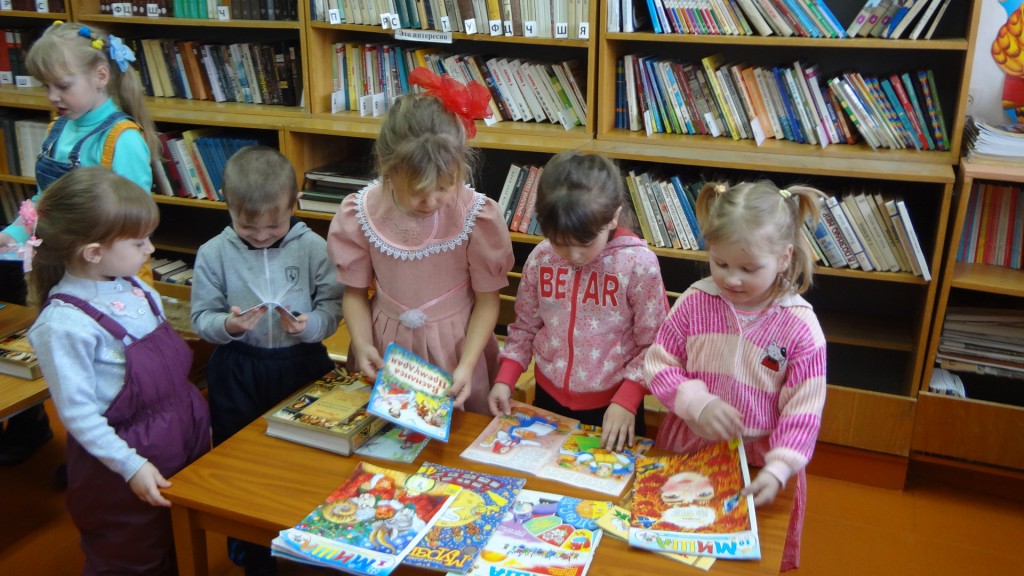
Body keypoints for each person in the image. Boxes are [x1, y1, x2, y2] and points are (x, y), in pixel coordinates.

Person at [26, 166, 210, 575]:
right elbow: (79, 416)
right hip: (124, 462)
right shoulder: (64, 325)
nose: (150, 249)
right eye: (139, 241)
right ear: (93, 252)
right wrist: (131, 465)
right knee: (133, 555)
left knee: (179, 537)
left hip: (180, 436)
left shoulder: (136, 287)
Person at [643, 180, 828, 572]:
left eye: (748, 268)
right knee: (675, 551)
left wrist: (779, 469)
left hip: (759, 463)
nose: (731, 279)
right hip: (688, 448)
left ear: (784, 257)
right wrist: (696, 401)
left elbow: (803, 413)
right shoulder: (695, 301)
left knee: (744, 561)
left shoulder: (800, 328)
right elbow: (658, 364)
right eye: (720, 263)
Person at [0, 21, 159, 466]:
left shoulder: (121, 140)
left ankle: (122, 455)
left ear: (101, 76)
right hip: (62, 264)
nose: (53, 96)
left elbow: (132, 222)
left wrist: (100, 268)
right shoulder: (61, 125)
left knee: (109, 371)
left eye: (63, 85)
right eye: (46, 86)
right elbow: (44, 198)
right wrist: (14, 232)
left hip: (107, 276)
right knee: (69, 364)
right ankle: (51, 434)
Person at [191, 146, 343, 576]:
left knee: (308, 456)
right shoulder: (213, 253)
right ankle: (251, 554)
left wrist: (310, 327)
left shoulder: (313, 247)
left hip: (303, 365)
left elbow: (332, 308)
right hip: (237, 368)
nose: (261, 236)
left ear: (295, 204)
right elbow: (201, 319)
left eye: (274, 225)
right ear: (228, 207)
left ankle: (311, 539)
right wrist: (229, 326)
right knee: (240, 462)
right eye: (247, 226)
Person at [327, 67, 514, 415]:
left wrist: (467, 365)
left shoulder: (477, 216)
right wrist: (363, 344)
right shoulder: (361, 212)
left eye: (443, 187)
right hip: (385, 348)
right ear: (387, 168)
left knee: (460, 433)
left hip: (457, 350)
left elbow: (488, 302)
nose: (430, 201)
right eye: (415, 190)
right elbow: (354, 293)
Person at [487, 152, 669, 451]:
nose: (572, 256)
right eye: (560, 242)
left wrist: (629, 398)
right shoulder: (541, 258)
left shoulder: (638, 265)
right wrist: (505, 379)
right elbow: (525, 328)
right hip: (547, 398)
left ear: (613, 217)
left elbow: (655, 344)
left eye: (584, 243)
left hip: (616, 407)